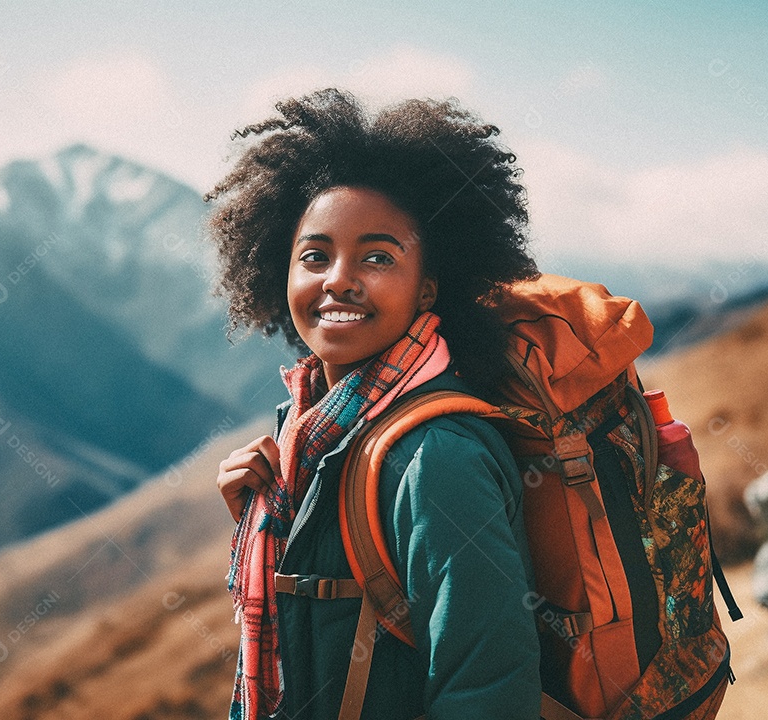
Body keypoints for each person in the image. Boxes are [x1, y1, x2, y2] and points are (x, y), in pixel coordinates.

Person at [206, 88, 542, 720]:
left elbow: (488, 692)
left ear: (428, 290)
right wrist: (274, 512)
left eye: (378, 256)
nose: (338, 278)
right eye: (315, 255)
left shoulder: (438, 457)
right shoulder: (319, 433)